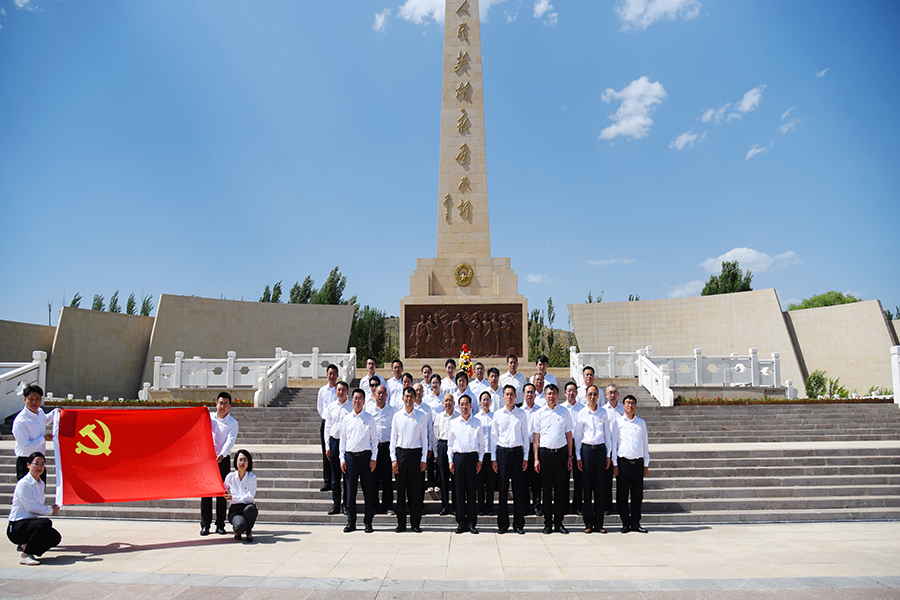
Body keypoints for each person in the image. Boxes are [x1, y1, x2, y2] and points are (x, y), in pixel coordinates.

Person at [532, 384, 573, 534]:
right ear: (544, 396)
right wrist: (536, 458)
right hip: (545, 454)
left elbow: (569, 435)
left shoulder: (564, 412)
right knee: (547, 490)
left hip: (561, 453)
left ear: (558, 395)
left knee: (560, 490)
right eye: (549, 394)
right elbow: (536, 437)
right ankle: (548, 523)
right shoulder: (539, 413)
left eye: (554, 393)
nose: (551, 396)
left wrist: (570, 456)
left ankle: (559, 522)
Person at [7, 452, 61, 565]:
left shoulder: (40, 484)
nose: (39, 467)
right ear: (28, 465)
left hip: (30, 524)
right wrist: (51, 511)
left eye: (42, 464)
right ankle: (26, 555)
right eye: (36, 463)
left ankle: (28, 547)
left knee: (54, 537)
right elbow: (31, 507)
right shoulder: (24, 484)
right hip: (17, 526)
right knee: (45, 523)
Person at [390, 386, 429, 533]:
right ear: (403, 398)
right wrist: (393, 458)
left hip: (415, 455)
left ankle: (415, 523)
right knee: (401, 492)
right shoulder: (397, 416)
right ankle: (401, 523)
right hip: (401, 455)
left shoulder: (421, 416)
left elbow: (424, 438)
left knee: (415, 491)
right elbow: (393, 439)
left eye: (411, 396)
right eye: (406, 396)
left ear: (415, 398)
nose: (409, 399)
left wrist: (424, 459)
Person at [491, 385, 529, 534]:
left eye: (512, 394)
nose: (509, 397)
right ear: (503, 397)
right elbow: (494, 438)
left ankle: (518, 524)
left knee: (518, 490)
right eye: (507, 394)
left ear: (515, 396)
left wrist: (525, 457)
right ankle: (503, 524)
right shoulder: (498, 414)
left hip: (517, 453)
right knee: (502, 490)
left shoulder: (521, 414)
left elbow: (525, 436)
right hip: (502, 453)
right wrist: (494, 459)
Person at [574, 385, 612, 534]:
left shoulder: (603, 412)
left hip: (600, 451)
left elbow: (607, 435)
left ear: (598, 396)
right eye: (590, 394)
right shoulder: (582, 413)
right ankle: (588, 523)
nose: (592, 397)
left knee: (599, 488)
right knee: (587, 488)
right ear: (586, 396)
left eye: (595, 394)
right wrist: (578, 456)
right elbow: (578, 436)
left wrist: (608, 455)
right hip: (587, 451)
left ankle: (599, 523)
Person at [340, 389, 378, 533]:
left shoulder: (369, 418)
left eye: (360, 398)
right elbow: (343, 441)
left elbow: (374, 439)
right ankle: (351, 521)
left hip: (365, 457)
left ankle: (368, 522)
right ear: (352, 400)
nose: (357, 401)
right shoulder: (347, 419)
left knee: (368, 491)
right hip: (350, 458)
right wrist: (342, 458)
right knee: (350, 492)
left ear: (363, 401)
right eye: (355, 398)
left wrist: (374, 457)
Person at [201, 392, 238, 536]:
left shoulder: (232, 423)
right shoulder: (208, 417)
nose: (222, 406)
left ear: (230, 406)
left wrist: (221, 454)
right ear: (216, 404)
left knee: (222, 492)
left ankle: (220, 525)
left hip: (222, 460)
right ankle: (205, 525)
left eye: (225, 404)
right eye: (220, 403)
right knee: (206, 493)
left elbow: (230, 441)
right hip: (207, 459)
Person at [447, 395, 485, 534]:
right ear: (459, 406)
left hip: (472, 459)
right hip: (459, 459)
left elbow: (481, 444)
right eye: (462, 404)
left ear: (470, 406)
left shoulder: (477, 422)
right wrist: (450, 461)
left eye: (467, 404)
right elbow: (450, 444)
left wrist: (480, 460)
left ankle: (471, 522)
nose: (464, 407)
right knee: (459, 491)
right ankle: (461, 522)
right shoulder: (454, 423)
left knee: (471, 491)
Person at [613, 395, 650, 534]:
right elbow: (614, 444)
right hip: (623, 463)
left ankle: (635, 522)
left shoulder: (641, 423)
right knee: (622, 495)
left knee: (637, 495)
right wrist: (615, 464)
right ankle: (625, 523)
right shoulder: (618, 423)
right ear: (623, 406)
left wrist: (646, 463)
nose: (630, 405)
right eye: (627, 403)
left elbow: (645, 443)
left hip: (638, 463)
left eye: (633, 403)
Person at [12, 384, 54, 483]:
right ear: (25, 400)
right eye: (31, 399)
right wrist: (43, 439)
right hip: (26, 461)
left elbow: (45, 420)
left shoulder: (40, 412)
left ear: (41, 399)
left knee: (40, 490)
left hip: (40, 461)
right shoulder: (21, 421)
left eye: (37, 399)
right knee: (27, 491)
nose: (34, 402)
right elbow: (25, 447)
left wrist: (55, 413)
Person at [367, 384, 396, 515]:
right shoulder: (369, 410)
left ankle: (387, 506)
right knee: (372, 478)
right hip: (373, 448)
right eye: (378, 393)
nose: (381, 395)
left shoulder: (392, 411)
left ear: (387, 395)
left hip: (386, 448)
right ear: (374, 394)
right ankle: (374, 505)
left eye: (383, 393)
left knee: (387, 478)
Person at [325, 381, 352, 515]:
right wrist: (327, 445)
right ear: (336, 391)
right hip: (335, 442)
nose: (341, 392)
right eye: (338, 390)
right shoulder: (331, 407)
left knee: (347, 475)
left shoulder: (352, 406)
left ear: (347, 392)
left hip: (348, 444)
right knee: (335, 476)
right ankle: (336, 504)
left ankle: (346, 504)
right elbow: (327, 427)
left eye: (343, 390)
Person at [224, 449, 258, 542]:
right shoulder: (230, 477)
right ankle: (238, 531)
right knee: (239, 526)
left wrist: (233, 497)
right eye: (240, 460)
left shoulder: (252, 477)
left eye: (245, 460)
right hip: (235, 509)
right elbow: (225, 489)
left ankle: (249, 531)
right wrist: (226, 492)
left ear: (248, 462)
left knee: (251, 509)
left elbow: (250, 497)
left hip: (247, 507)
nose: (242, 462)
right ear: (236, 462)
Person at [432, 393, 458, 516]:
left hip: (455, 447)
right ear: (443, 403)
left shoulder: (458, 417)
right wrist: (436, 453)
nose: (448, 403)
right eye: (446, 401)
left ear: (454, 403)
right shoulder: (438, 417)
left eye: (450, 400)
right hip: (442, 446)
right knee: (443, 478)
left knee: (455, 478)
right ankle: (445, 507)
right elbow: (435, 437)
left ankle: (456, 506)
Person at [562, 381, 585, 515]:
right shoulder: (561, 408)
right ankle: (564, 505)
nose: (571, 393)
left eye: (573, 390)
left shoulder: (582, 409)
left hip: (579, 445)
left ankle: (578, 505)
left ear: (577, 393)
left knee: (579, 477)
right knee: (564, 478)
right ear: (565, 393)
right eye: (569, 391)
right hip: (564, 446)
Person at [602, 384, 625, 515]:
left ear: (618, 394)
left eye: (614, 392)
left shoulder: (624, 409)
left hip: (621, 448)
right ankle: (607, 506)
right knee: (606, 480)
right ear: (606, 395)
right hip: (607, 449)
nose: (612, 395)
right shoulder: (603, 410)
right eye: (610, 392)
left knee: (621, 480)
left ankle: (621, 506)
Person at [317, 365, 339, 492]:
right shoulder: (322, 390)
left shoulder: (339, 389)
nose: (332, 376)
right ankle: (327, 481)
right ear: (327, 375)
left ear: (337, 375)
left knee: (338, 453)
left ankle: (337, 480)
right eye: (330, 373)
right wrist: (326, 418)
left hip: (337, 424)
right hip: (326, 423)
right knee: (326, 452)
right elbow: (319, 407)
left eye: (334, 373)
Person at [521, 382, 542, 515]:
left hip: (536, 448)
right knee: (523, 479)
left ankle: (536, 506)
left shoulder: (540, 411)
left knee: (536, 479)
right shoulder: (519, 411)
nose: (529, 394)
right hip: (523, 448)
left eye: (532, 392)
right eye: (527, 392)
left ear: (535, 395)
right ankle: (524, 506)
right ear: (523, 395)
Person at [474, 391, 495, 516]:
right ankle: (481, 507)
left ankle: (490, 507)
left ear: (490, 401)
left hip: (491, 453)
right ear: (480, 402)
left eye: (487, 399)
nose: (485, 402)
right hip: (480, 453)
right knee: (480, 482)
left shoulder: (495, 416)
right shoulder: (476, 418)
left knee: (491, 482)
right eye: (483, 399)